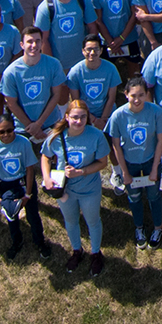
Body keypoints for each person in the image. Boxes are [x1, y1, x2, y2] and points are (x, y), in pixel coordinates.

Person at [41, 100, 112, 274]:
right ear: (66, 117)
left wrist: (82, 172)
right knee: (71, 221)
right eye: (74, 117)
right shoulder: (56, 136)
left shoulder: (96, 136)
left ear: (87, 118)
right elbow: (45, 156)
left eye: (82, 117)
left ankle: (95, 253)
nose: (78, 121)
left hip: (89, 189)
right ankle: (77, 250)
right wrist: (47, 177)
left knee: (92, 221)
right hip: (66, 190)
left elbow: (103, 162)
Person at [107, 75, 162, 250]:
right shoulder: (118, 116)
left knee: (154, 195)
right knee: (133, 197)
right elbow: (116, 146)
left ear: (146, 95)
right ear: (126, 94)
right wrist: (124, 172)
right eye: (133, 95)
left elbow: (160, 141)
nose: (137, 99)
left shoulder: (156, 112)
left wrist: (156, 167)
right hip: (130, 163)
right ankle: (139, 228)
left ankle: (158, 228)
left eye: (141, 95)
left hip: (150, 161)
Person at [0, 111, 49, 261]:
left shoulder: (23, 143)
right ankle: (16, 241)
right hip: (6, 185)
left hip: (23, 182)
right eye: (2, 132)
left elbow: (29, 169)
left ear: (14, 128)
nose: (6, 135)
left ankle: (40, 242)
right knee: (11, 216)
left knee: (33, 215)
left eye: (9, 130)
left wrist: (27, 193)